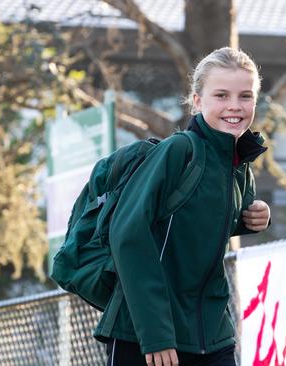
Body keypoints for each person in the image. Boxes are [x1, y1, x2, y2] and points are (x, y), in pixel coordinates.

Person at [94, 47, 271, 366]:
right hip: (147, 334)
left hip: (211, 334)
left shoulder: (238, 162)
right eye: (221, 95)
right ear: (197, 101)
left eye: (245, 96)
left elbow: (208, 219)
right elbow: (128, 235)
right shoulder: (178, 151)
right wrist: (156, 334)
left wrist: (255, 216)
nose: (235, 106)